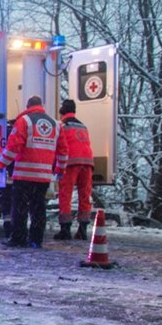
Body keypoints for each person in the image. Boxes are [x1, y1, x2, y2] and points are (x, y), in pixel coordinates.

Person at [0, 96, 60, 248]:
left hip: (24, 174)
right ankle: (36, 239)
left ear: (28, 106)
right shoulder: (55, 124)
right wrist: (60, 169)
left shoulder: (24, 121)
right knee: (38, 207)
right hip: (44, 176)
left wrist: (2, 164)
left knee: (20, 207)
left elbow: (14, 147)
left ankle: (19, 238)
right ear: (41, 106)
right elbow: (62, 150)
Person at [52, 99, 95, 241]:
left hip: (71, 162)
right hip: (87, 163)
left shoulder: (61, 125)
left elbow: (58, 146)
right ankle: (82, 230)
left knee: (65, 195)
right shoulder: (83, 126)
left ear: (62, 111)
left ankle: (65, 229)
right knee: (85, 195)